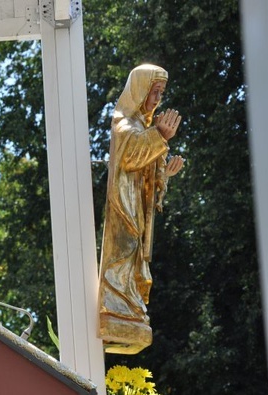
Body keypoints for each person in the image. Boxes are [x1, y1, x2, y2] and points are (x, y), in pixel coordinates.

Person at [98, 63, 185, 354]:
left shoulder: (142, 127)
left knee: (133, 257)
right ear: (140, 90)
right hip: (123, 207)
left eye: (161, 93)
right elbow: (132, 157)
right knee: (123, 252)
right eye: (154, 91)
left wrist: (163, 175)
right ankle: (115, 308)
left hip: (136, 205)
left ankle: (129, 309)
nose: (157, 99)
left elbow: (146, 173)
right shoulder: (124, 124)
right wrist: (159, 136)